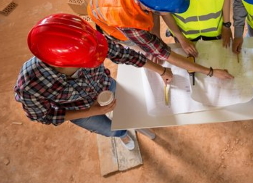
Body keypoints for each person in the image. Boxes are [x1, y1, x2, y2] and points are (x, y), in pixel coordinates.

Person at [14, 14, 171, 150]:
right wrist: (91, 112)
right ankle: (121, 134)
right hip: (79, 109)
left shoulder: (89, 41)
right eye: (90, 59)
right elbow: (45, 116)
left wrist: (162, 71)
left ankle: (133, 123)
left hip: (105, 86)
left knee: (130, 109)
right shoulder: (30, 85)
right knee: (109, 130)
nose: (97, 56)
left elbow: (126, 54)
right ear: (61, 64)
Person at [87, 0, 234, 80]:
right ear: (151, 9)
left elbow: (158, 14)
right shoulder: (126, 22)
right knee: (145, 49)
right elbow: (165, 54)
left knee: (153, 44)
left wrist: (156, 37)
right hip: (106, 16)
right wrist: (210, 72)